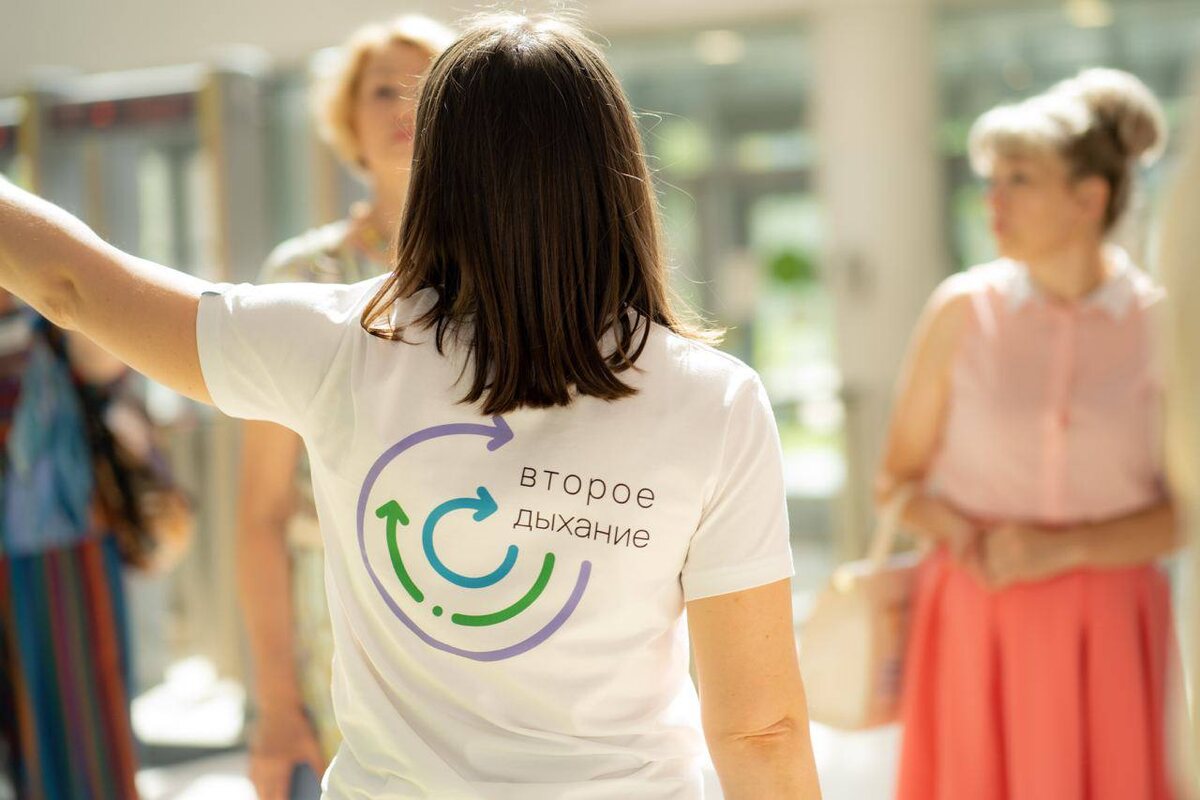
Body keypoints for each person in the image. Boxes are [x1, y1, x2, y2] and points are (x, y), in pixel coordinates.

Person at [0, 14, 821, 799]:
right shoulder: (715, 401)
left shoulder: (338, 344)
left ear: (435, 174)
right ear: (618, 175)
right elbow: (760, 730)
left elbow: (72, 285)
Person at [877, 68, 1182, 800]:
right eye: (991, 179)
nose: (994, 200)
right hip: (974, 618)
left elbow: (1188, 511)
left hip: (1114, 632)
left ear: (1089, 198)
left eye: (1019, 179)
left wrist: (1065, 549)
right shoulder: (960, 312)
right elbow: (895, 484)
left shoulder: (1166, 328)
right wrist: (958, 529)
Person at [235, 16, 453, 798]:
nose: (404, 106)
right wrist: (274, 701)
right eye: (382, 89)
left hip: (472, 617)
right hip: (332, 634)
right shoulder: (301, 278)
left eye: (427, 87)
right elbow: (262, 510)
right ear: (347, 119)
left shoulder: (504, 269)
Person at [0, 291, 136, 798]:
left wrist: (51, 286)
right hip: (46, 544)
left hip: (60, 551)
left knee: (81, 743)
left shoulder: (44, 295)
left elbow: (110, 364)